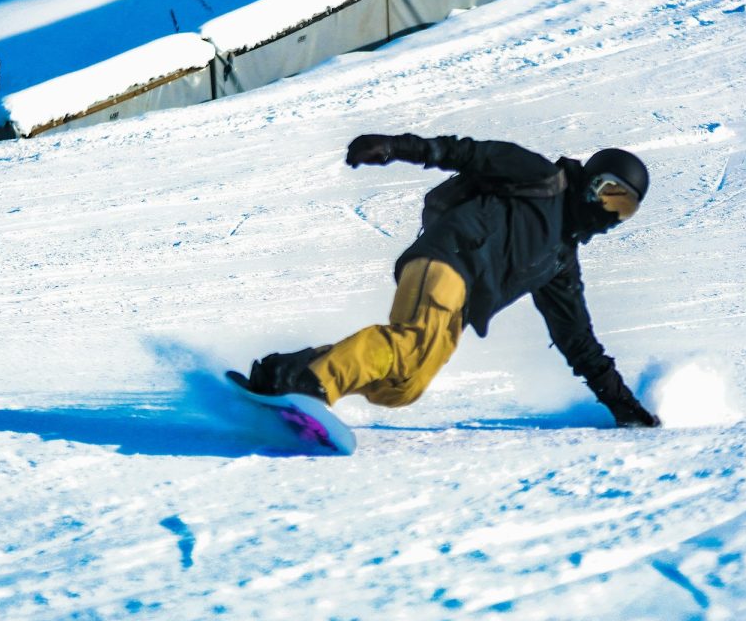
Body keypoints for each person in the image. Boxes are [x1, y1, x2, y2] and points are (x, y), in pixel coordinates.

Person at [241, 133, 660, 427]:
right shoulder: (540, 177)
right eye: (608, 192)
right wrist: (394, 147)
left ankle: (286, 373)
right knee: (411, 343)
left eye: (622, 208)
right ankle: (316, 385)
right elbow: (467, 153)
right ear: (590, 180)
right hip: (448, 257)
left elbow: (580, 342)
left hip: (458, 301)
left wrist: (624, 407)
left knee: (403, 386)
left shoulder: (559, 263)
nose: (608, 211)